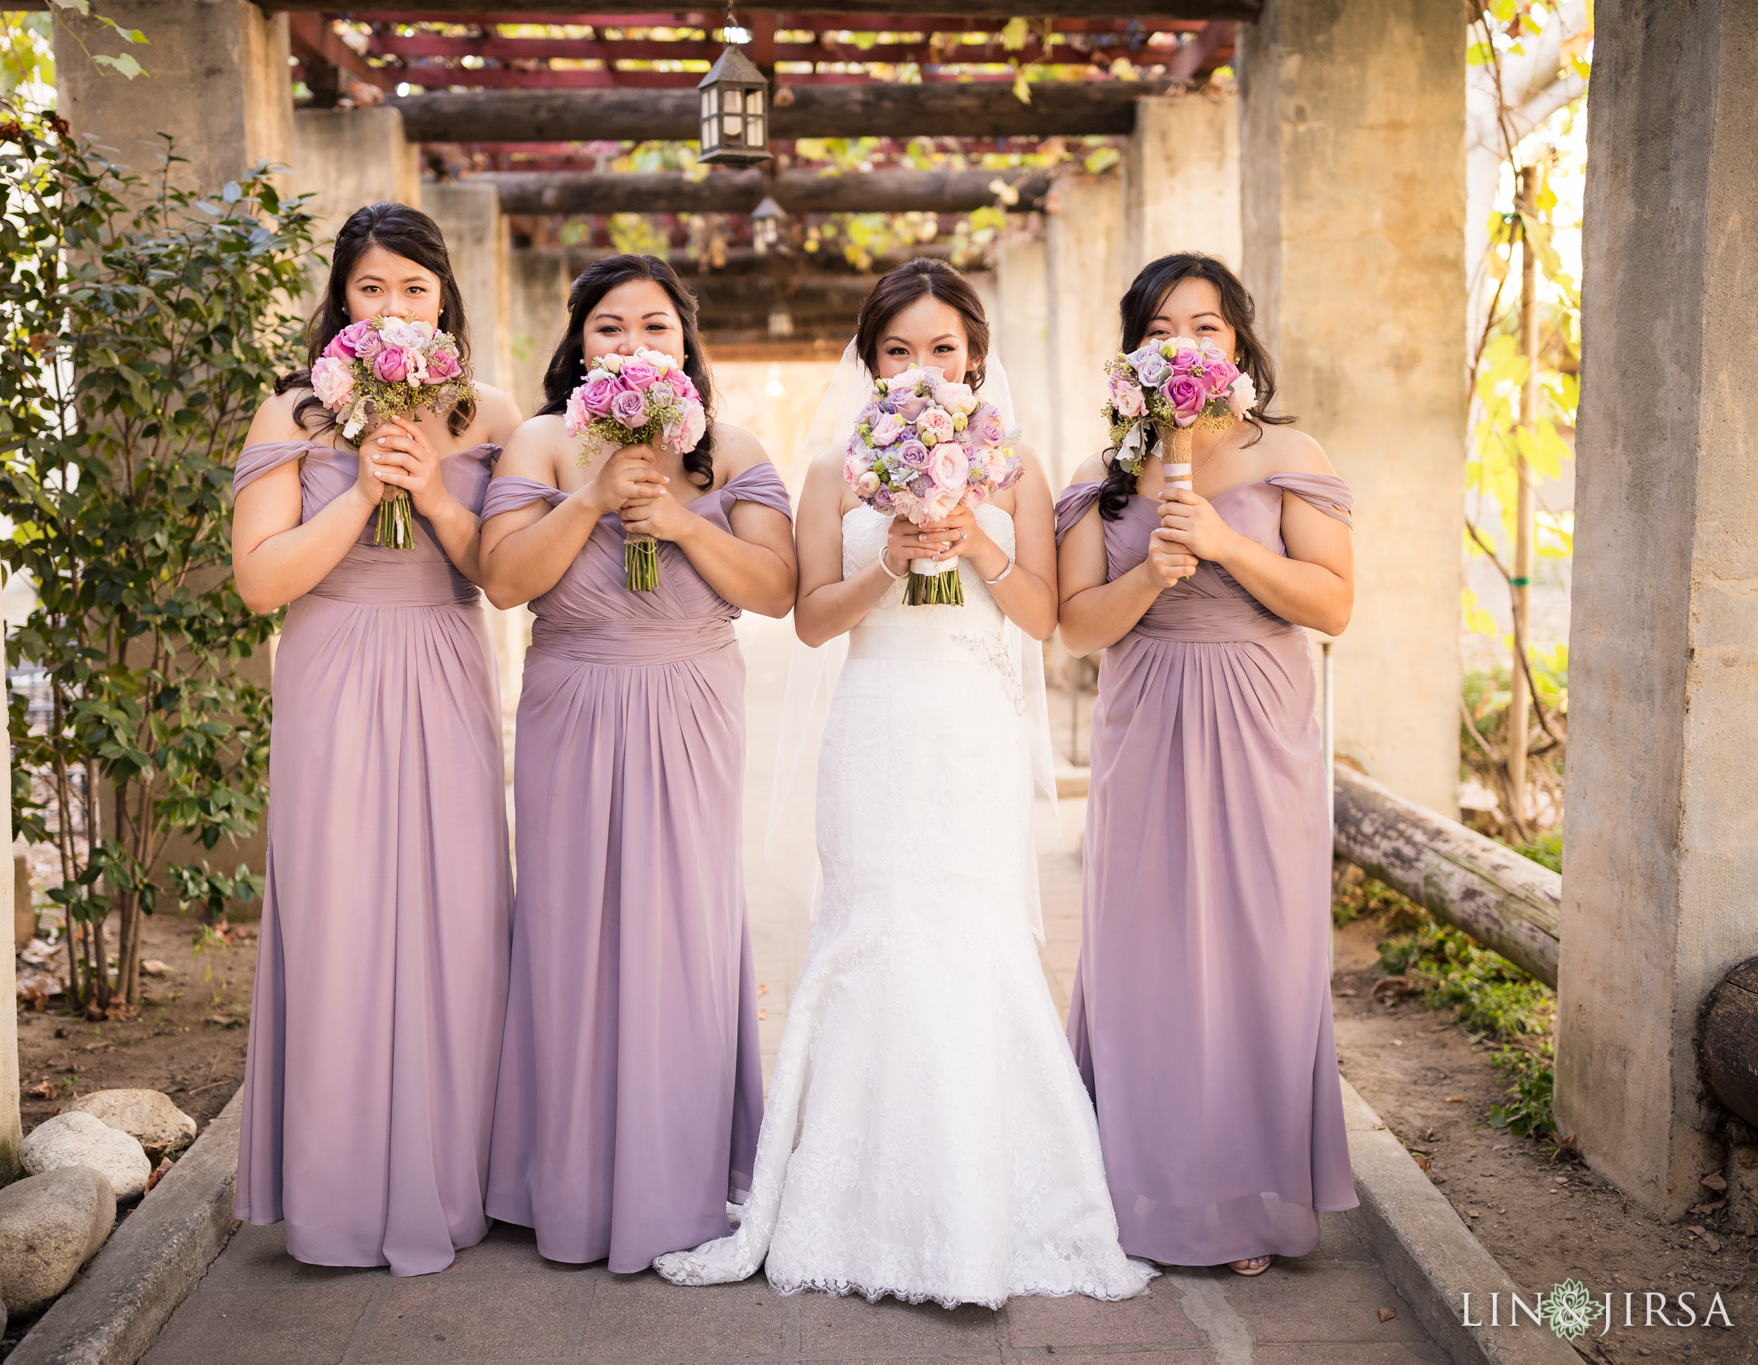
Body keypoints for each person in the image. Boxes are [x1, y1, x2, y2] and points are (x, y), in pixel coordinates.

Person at [656, 259, 1156, 1309]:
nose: (921, 368)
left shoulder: (1011, 470)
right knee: (872, 931)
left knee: (969, 942)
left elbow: (1043, 622)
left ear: (973, 354)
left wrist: (973, 537)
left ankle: (986, 1207)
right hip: (876, 727)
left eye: (940, 348)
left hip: (969, 732)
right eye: (898, 351)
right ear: (869, 361)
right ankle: (852, 1202)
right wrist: (886, 561)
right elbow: (808, 618)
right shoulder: (838, 466)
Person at [479, 254, 798, 1273]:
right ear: (578, 346)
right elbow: (500, 579)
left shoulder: (730, 447)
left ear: (683, 344)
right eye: (608, 328)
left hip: (692, 708)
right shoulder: (536, 440)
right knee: (571, 936)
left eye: (653, 327)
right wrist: (590, 499)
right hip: (572, 703)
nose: (630, 345)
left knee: (681, 932)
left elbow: (777, 590)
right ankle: (567, 1186)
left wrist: (672, 522)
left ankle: (680, 1172)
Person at [230, 202, 521, 1273]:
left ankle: (453, 1177)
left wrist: (435, 494)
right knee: (339, 907)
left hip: (442, 662)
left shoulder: (488, 412)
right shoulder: (292, 415)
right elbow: (261, 580)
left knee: (454, 911)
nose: (391, 306)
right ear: (339, 301)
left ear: (441, 297)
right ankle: (340, 1194)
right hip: (333, 665)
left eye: (410, 287)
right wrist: (361, 493)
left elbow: (507, 576)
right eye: (369, 288)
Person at [1055, 251, 1359, 1275]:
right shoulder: (1103, 475)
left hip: (1260, 724)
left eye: (1205, 327)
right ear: (1132, 352)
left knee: (1255, 958)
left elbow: (1330, 606)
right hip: (1147, 722)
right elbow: (1074, 629)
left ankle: (1246, 1197)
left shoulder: (1287, 453)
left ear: (1236, 344)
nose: (1181, 346)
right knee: (1146, 958)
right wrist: (1149, 572)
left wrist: (1227, 550)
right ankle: (1141, 1184)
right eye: (1158, 330)